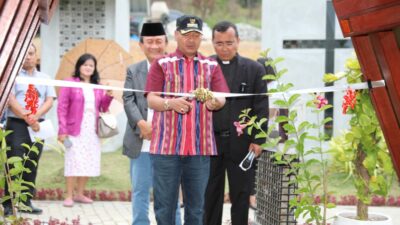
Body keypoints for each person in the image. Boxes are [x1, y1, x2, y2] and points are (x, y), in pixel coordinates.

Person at [145, 15, 229, 225]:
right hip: (166, 148)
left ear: (201, 38)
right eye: (186, 35)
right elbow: (151, 99)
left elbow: (222, 96)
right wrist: (170, 104)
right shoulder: (161, 63)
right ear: (176, 35)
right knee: (164, 207)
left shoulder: (211, 65)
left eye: (196, 35)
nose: (191, 40)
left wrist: (215, 102)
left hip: (199, 150)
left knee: (197, 208)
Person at [204, 21, 269, 225]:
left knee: (241, 194)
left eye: (229, 43)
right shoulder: (204, 67)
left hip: (242, 144)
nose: (224, 48)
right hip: (210, 143)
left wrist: (259, 139)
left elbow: (261, 105)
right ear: (213, 43)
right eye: (219, 43)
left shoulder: (254, 69)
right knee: (210, 193)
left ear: (238, 41)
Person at [122, 22, 181, 225]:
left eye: (158, 41)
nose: (154, 46)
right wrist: (141, 123)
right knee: (140, 190)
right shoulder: (134, 70)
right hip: (141, 141)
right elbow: (128, 99)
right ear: (141, 44)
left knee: (170, 190)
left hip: (169, 143)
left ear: (166, 43)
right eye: (149, 42)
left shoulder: (177, 69)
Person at [3, 44, 56, 216]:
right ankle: (9, 204)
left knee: (32, 162)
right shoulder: (13, 76)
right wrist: (27, 117)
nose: (28, 57)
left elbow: (49, 99)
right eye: (24, 54)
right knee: (14, 163)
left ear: (36, 55)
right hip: (17, 124)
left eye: (31, 54)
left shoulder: (45, 77)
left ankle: (26, 202)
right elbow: (10, 99)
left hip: (38, 125)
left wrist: (36, 116)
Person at [57, 53, 113, 207]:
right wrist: (62, 130)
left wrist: (108, 96)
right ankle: (68, 196)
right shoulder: (70, 83)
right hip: (74, 129)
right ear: (79, 66)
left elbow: (103, 107)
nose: (88, 68)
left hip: (92, 130)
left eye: (91, 65)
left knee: (88, 160)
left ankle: (80, 194)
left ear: (94, 69)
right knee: (73, 160)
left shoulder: (97, 86)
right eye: (85, 64)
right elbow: (62, 107)